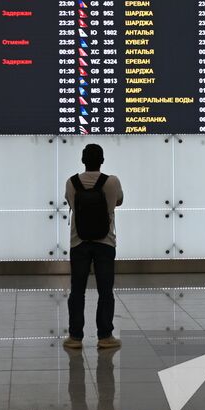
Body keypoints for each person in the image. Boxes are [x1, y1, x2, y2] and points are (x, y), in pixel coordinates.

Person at [64, 143, 123, 349]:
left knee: (77, 290)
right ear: (102, 161)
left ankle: (75, 337)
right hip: (105, 243)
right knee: (105, 290)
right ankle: (105, 336)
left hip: (78, 242)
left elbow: (72, 205)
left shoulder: (71, 183)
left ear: (82, 160)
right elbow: (119, 201)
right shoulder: (112, 182)